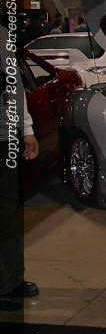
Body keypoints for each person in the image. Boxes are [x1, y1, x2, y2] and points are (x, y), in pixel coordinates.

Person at [0, 87, 39, 311]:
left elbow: (15, 88)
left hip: (6, 139)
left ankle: (13, 280)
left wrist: (26, 129)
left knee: (9, 212)